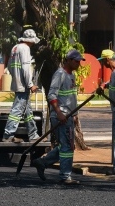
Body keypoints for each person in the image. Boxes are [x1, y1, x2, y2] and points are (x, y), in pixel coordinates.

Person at [32, 49, 84, 185]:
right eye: (77, 61)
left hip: (69, 116)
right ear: (69, 60)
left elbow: (71, 97)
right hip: (60, 116)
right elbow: (52, 95)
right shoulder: (60, 74)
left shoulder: (71, 75)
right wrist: (59, 113)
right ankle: (65, 176)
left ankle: (42, 162)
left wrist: (75, 115)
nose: (79, 64)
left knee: (67, 146)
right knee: (67, 147)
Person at [1, 29, 41, 143]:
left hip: (17, 83)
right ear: (30, 40)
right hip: (23, 85)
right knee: (17, 110)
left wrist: (16, 77)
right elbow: (25, 68)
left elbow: (9, 66)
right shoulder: (25, 49)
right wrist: (30, 84)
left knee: (27, 111)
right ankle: (8, 135)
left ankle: (33, 134)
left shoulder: (15, 47)